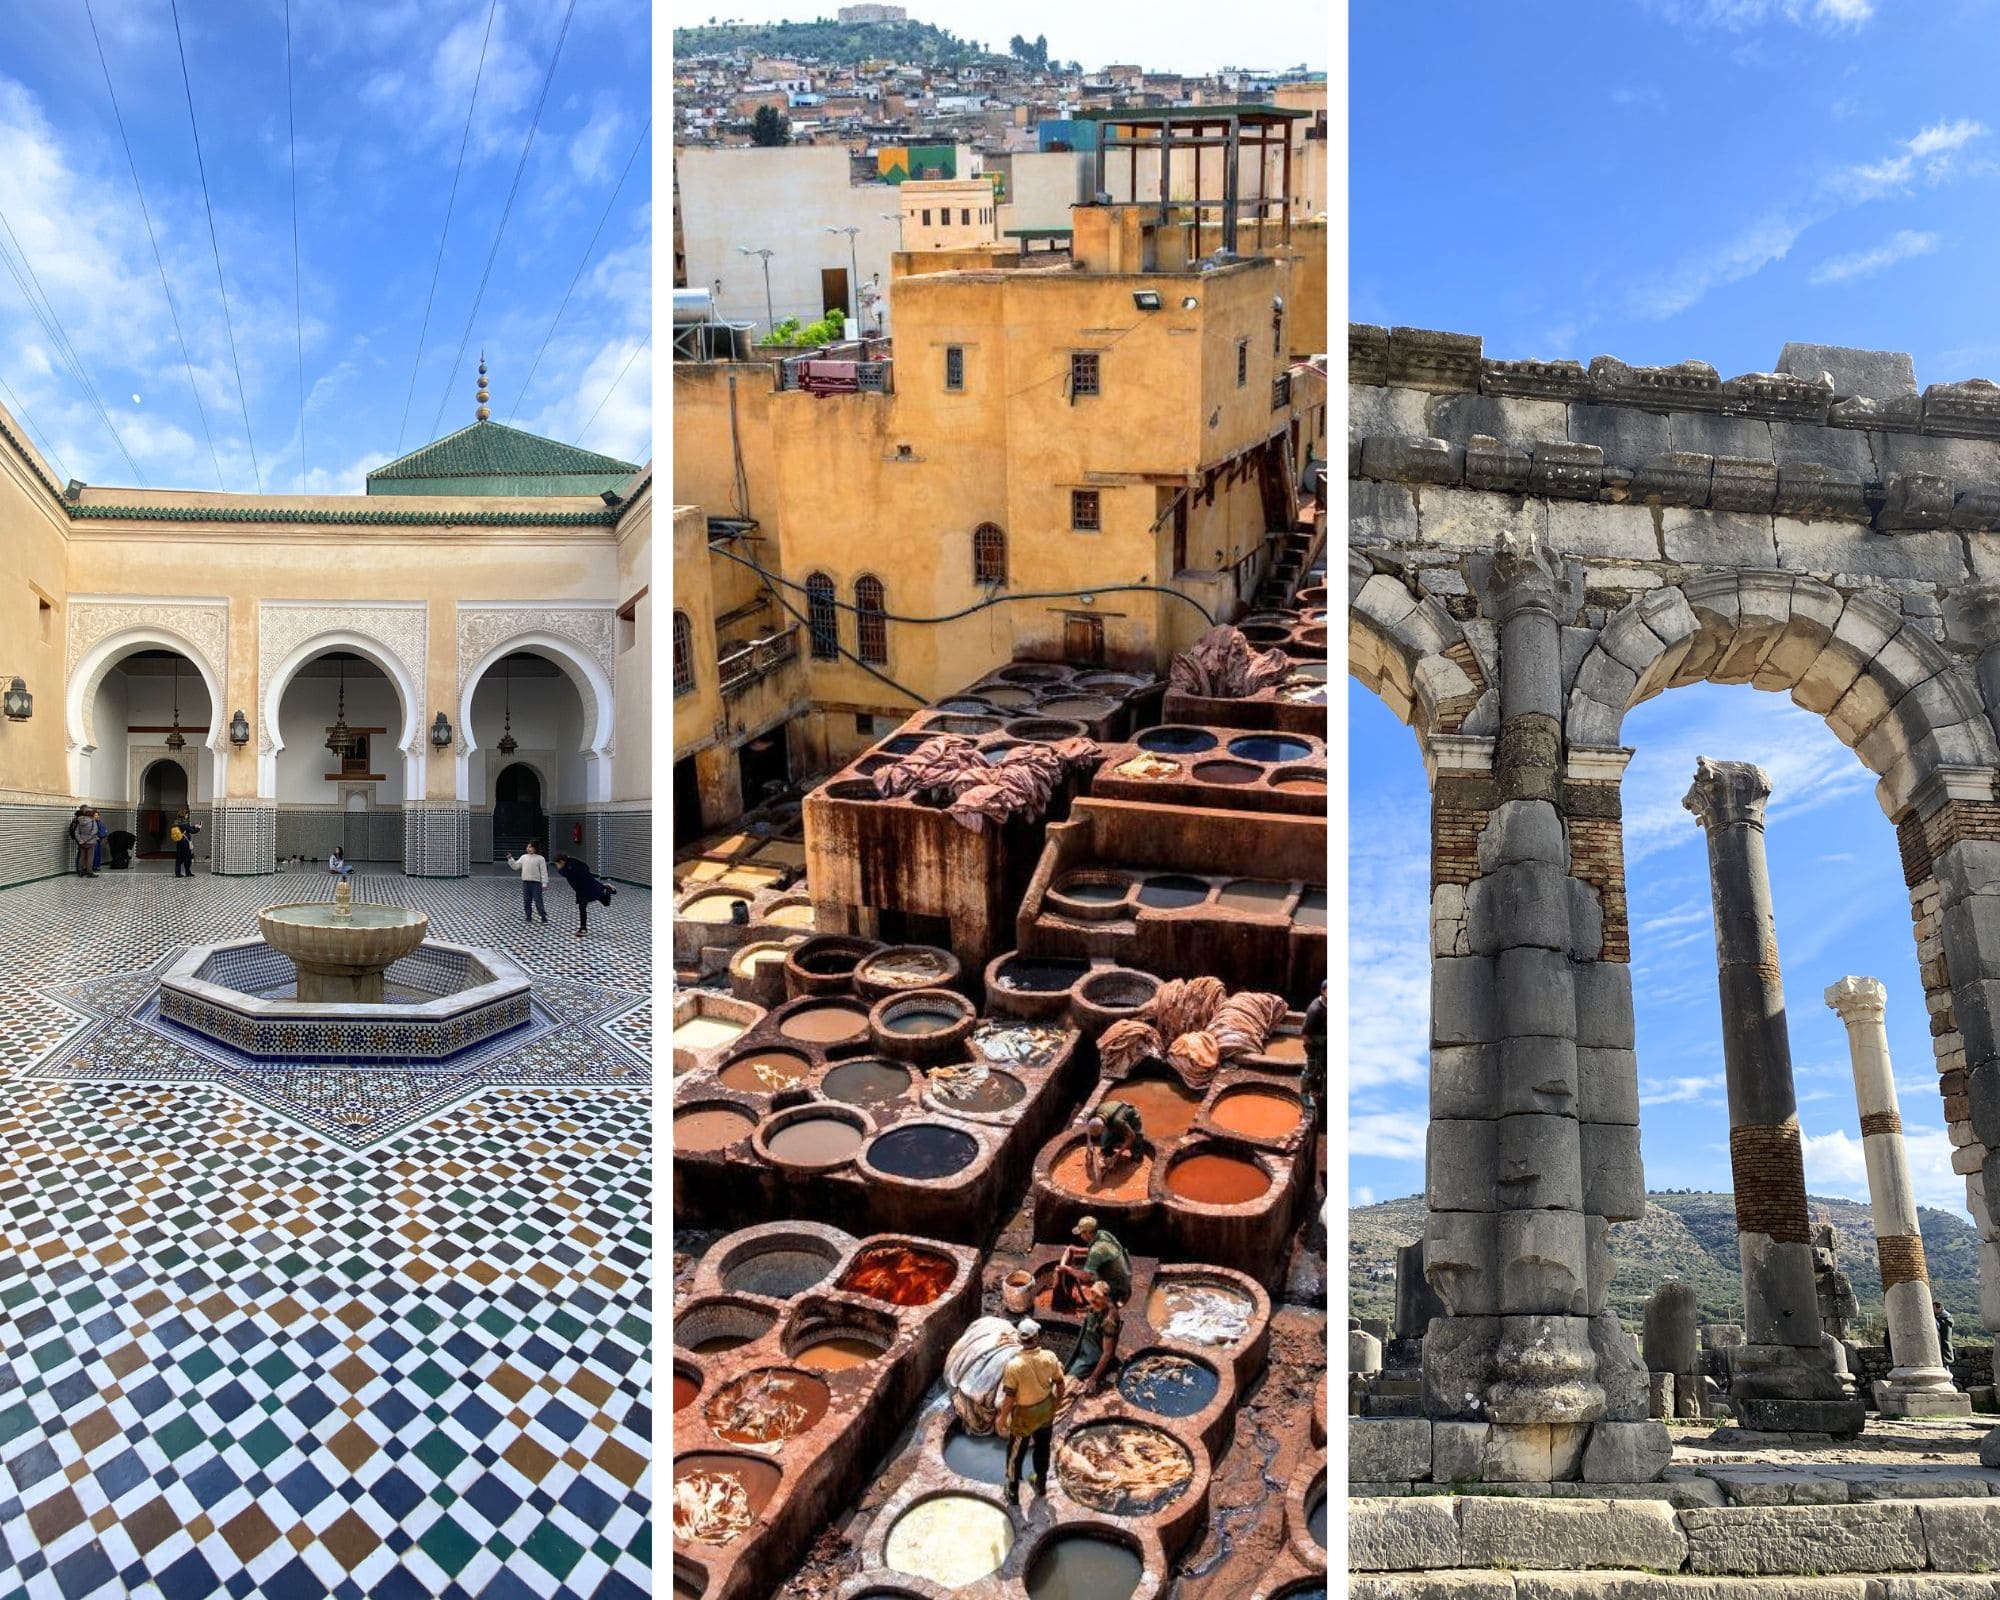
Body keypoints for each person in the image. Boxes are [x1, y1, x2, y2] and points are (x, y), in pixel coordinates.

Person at [996, 1318, 1065, 1508]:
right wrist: (1057, 1403)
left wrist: (1001, 1419)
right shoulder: (1049, 1357)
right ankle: (1040, 1483)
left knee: (1015, 1453)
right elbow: (1060, 1383)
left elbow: (1009, 1398)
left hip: (1024, 1416)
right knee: (1043, 1447)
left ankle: (1012, 1490)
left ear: (1019, 1339)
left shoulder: (1014, 1365)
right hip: (1045, 1411)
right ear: (1037, 1337)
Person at [1058, 1215, 1132, 1307]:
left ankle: (1113, 1299)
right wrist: (1077, 1250)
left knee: (1095, 1296)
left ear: (1088, 1233)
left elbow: (1086, 1277)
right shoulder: (1102, 1234)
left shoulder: (1096, 1251)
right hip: (1125, 1276)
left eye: (1082, 1233)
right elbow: (1100, 1253)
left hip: (1117, 1287)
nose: (1081, 1236)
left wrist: (1067, 1269)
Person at [1065, 1279, 1123, 1395]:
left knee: (1069, 1381)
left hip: (1092, 1358)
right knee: (1066, 1367)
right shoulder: (1097, 1305)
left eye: (1097, 1297)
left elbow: (1107, 1353)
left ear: (1106, 1298)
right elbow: (1089, 1306)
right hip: (1084, 1347)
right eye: (1092, 1294)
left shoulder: (1109, 1321)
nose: (1093, 1299)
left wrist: (1093, 1378)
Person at [1083, 1097, 1145, 1185]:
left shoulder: (1118, 1121)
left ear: (1104, 1126)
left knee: (1136, 1146)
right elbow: (1088, 1127)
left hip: (1131, 1117)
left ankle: (1136, 1159)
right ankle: (1108, 1152)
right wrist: (1089, 1145)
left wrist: (1116, 1156)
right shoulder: (1095, 1114)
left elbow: (1131, 1136)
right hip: (1114, 1117)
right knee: (1105, 1144)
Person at [552, 853, 616, 938]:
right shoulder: (569, 864)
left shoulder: (571, 867)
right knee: (582, 907)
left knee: (606, 902)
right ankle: (583, 928)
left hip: (589, 887)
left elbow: (568, 872)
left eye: (557, 864)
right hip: (581, 890)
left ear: (562, 862)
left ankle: (607, 889)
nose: (557, 867)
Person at [1303, 979, 1327, 1132]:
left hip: (1326, 1049)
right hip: (1317, 1050)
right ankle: (1306, 1102)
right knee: (1310, 1076)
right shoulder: (1314, 1010)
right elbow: (1306, 1036)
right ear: (1323, 991)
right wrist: (1313, 1054)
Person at [507, 840, 550, 926]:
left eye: (530, 847)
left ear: (535, 848)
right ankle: (528, 916)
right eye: (528, 847)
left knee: (538, 900)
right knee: (527, 900)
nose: (528, 848)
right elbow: (516, 866)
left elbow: (543, 871)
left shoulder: (540, 859)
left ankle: (543, 916)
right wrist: (511, 859)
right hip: (526, 882)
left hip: (536, 883)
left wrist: (544, 883)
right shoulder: (524, 857)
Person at [70, 808, 98, 878]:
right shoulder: (92, 821)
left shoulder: (80, 821)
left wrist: (80, 840)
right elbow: (94, 832)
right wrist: (86, 840)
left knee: (81, 857)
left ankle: (80, 872)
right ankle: (89, 872)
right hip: (90, 842)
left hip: (81, 843)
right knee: (90, 857)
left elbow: (76, 832)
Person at [171, 807, 199, 878]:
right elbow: (192, 831)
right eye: (186, 814)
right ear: (184, 815)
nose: (187, 816)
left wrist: (193, 826)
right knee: (188, 858)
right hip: (185, 842)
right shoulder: (185, 822)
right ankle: (188, 872)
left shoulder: (176, 822)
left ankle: (178, 873)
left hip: (179, 841)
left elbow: (185, 828)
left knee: (179, 858)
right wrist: (198, 828)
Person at [1935, 1299, 1956, 1365]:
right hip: (1945, 1348)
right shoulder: (1947, 1318)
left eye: (1934, 1309)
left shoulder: (1942, 1320)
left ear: (1940, 1308)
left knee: (1945, 1368)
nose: (1932, 1311)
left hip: (1944, 1348)